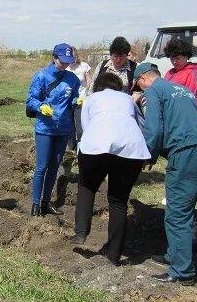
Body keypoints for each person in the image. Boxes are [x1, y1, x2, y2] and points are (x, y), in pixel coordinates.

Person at [134, 62, 197, 286]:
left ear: (143, 79)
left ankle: (182, 271)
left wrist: (148, 155)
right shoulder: (182, 89)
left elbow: (154, 128)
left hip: (185, 154)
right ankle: (174, 254)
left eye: (138, 85)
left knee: (177, 215)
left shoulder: (153, 91)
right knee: (183, 210)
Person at [70, 72, 151, 266]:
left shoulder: (92, 99)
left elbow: (85, 126)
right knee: (118, 201)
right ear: (119, 87)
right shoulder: (128, 99)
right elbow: (141, 124)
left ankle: (81, 232)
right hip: (131, 150)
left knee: (87, 187)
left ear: (98, 86)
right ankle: (114, 254)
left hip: (96, 146)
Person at [26, 43, 80, 217]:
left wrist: (77, 102)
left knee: (54, 166)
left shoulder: (73, 79)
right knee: (42, 166)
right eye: (62, 61)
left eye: (68, 61)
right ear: (54, 58)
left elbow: (73, 99)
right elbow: (31, 100)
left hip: (63, 129)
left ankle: (46, 202)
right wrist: (41, 107)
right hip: (45, 128)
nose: (65, 65)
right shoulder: (41, 76)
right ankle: (35, 205)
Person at [163, 38, 197, 111]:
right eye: (172, 59)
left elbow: (194, 97)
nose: (174, 62)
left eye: (178, 58)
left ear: (186, 56)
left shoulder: (193, 73)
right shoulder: (169, 73)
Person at [66, 47, 91, 150]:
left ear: (76, 56)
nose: (72, 59)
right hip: (68, 101)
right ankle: (72, 148)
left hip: (81, 99)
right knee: (70, 126)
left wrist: (87, 94)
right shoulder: (66, 68)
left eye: (74, 56)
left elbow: (89, 81)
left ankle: (82, 147)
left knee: (81, 126)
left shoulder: (84, 66)